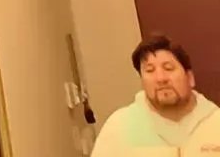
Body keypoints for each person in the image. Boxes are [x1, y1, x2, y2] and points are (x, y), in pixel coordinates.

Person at [92, 38, 220, 153]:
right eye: (150, 71)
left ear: (190, 78)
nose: (160, 78)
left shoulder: (215, 122)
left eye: (168, 68)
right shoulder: (119, 126)